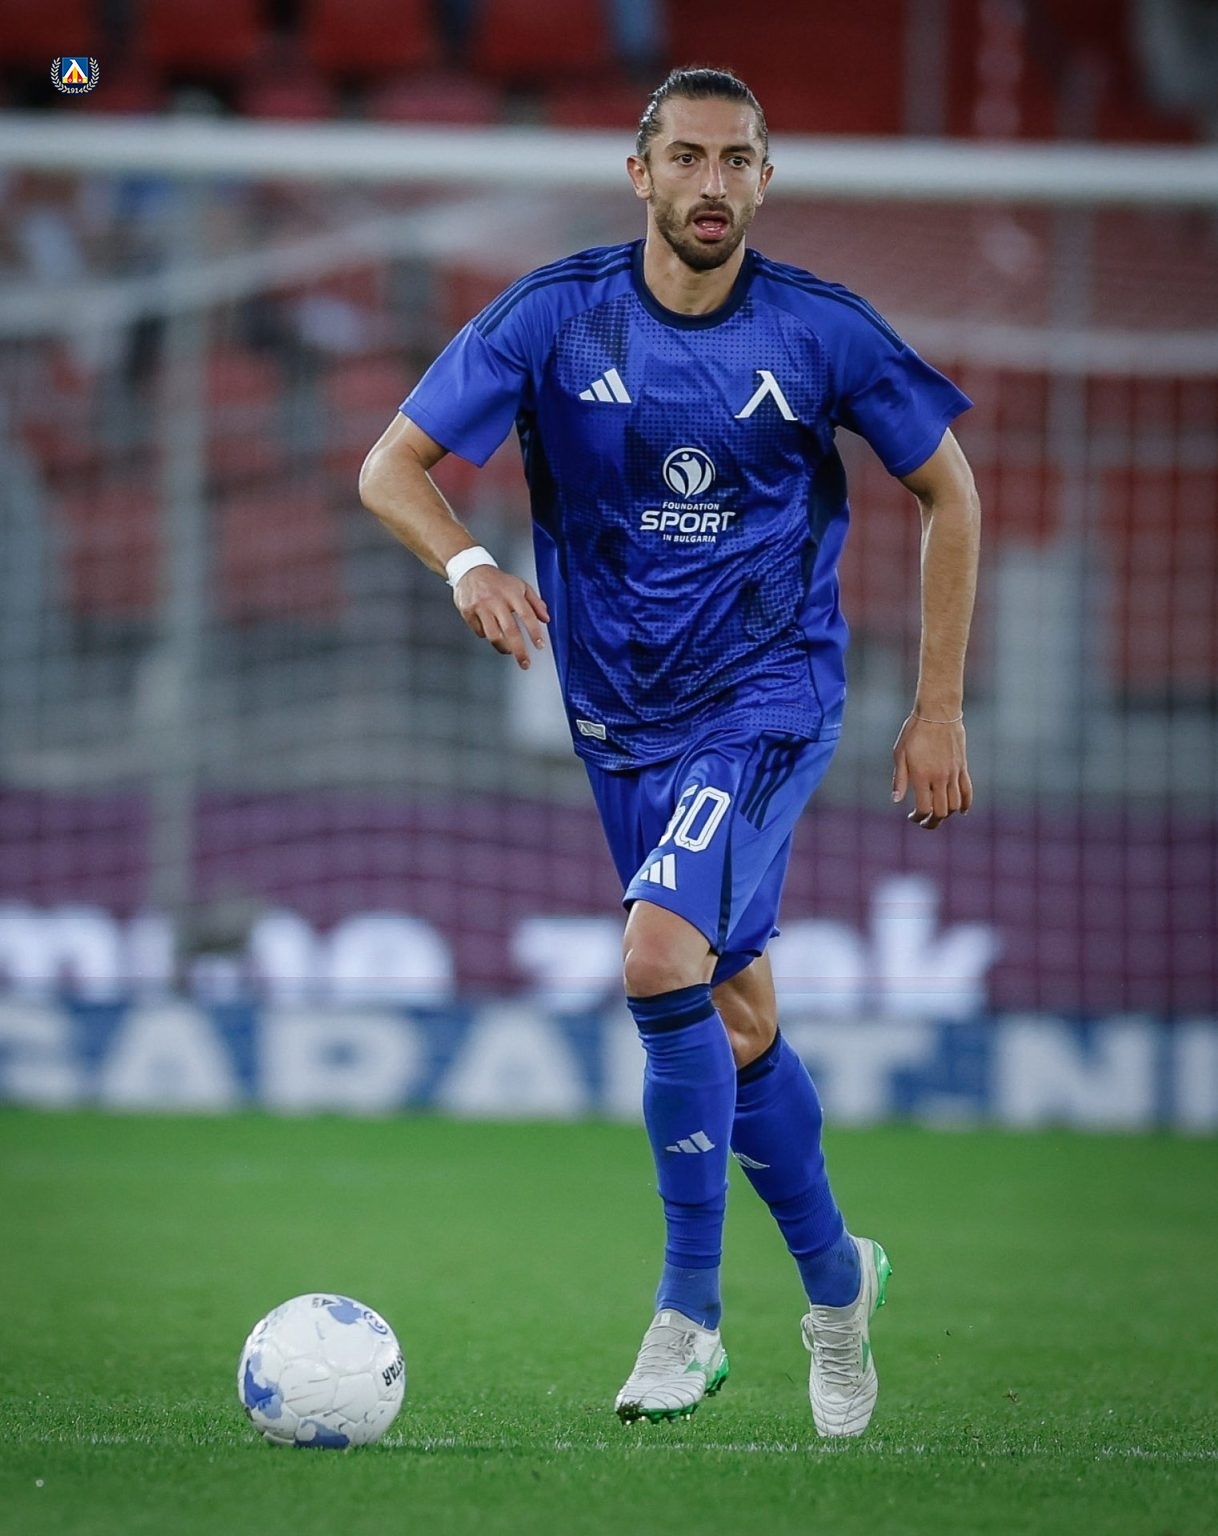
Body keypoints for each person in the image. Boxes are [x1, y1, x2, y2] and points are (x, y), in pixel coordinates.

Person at [359, 65, 980, 1437]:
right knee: (735, 1016)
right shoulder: (552, 317)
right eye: (687, 157)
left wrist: (937, 706)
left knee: (652, 961)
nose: (712, 183)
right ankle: (838, 1287)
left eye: (736, 160)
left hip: (766, 701)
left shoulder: (818, 331)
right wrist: (467, 563)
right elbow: (388, 467)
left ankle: (688, 1317)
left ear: (766, 179)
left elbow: (949, 488)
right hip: (619, 718)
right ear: (638, 175)